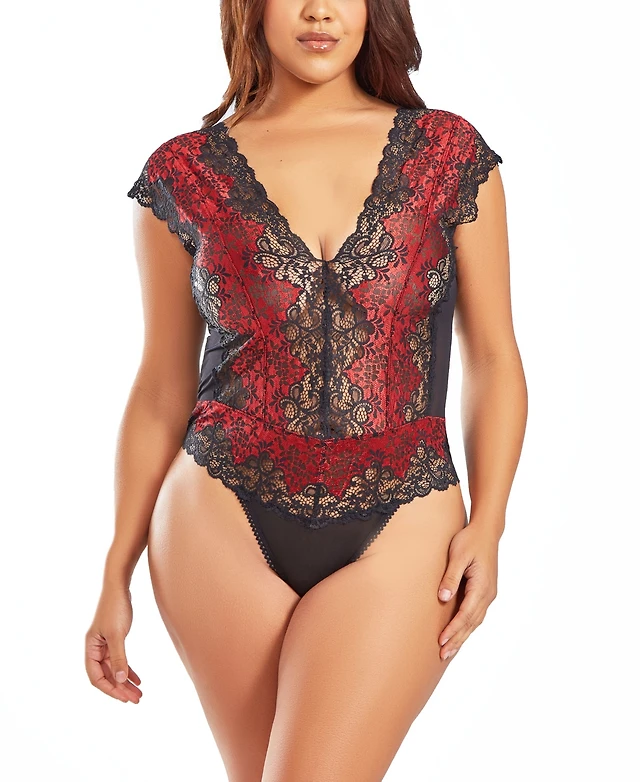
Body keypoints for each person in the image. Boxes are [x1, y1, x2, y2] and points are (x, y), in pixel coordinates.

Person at [85, 0, 527, 779]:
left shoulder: (448, 155)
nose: (319, 9)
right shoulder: (184, 173)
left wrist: (489, 525)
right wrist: (114, 574)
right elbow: (160, 387)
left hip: (406, 514)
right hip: (217, 515)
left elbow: (492, 357)